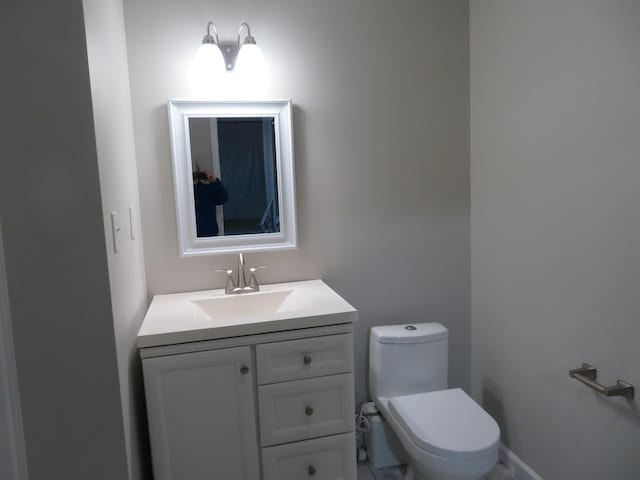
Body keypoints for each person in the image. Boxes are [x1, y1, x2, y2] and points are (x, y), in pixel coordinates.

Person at [193, 170, 228, 236]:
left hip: (209, 231)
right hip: (195, 231)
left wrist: (215, 181)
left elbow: (223, 198)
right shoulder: (189, 190)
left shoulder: (208, 189)